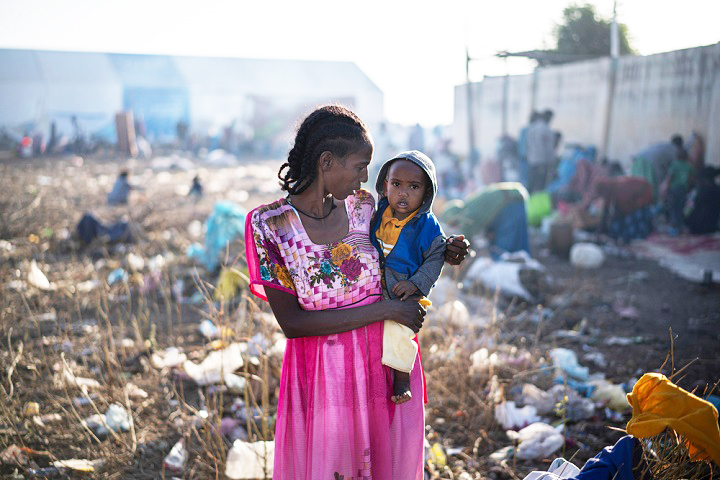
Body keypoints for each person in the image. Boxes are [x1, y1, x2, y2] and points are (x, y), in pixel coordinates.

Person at [244, 105, 469, 479]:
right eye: (360, 165)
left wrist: (445, 250)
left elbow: (411, 237)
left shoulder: (363, 207)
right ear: (326, 161)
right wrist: (386, 312)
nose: (367, 177)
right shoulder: (271, 226)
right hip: (323, 379)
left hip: (381, 366)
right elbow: (293, 324)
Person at [369, 150, 446, 405]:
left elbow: (436, 257)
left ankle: (402, 378)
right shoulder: (377, 213)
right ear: (384, 185)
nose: (403, 193)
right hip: (374, 284)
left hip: (404, 291)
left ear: (427, 193)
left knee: (398, 331)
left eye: (414, 186)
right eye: (396, 184)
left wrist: (415, 285)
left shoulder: (427, 225)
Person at [440, 182, 530, 260]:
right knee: (521, 247)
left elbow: (465, 240)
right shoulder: (470, 205)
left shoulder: (466, 215)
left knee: (505, 253)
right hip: (515, 196)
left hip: (508, 203)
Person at [631, 134, 686, 200]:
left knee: (637, 190)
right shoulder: (675, 150)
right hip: (648, 164)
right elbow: (674, 170)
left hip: (637, 161)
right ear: (680, 146)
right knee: (651, 192)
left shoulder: (664, 145)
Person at [662, 150, 693, 233]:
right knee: (680, 208)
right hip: (683, 189)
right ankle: (680, 226)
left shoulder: (674, 165)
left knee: (672, 208)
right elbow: (690, 179)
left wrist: (665, 189)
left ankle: (674, 228)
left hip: (673, 189)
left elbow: (669, 177)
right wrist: (688, 189)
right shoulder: (688, 166)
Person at [526, 109, 556, 193]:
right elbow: (548, 149)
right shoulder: (545, 130)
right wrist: (551, 162)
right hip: (542, 162)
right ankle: (537, 205)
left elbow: (528, 145)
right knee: (540, 186)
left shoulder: (532, 128)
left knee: (531, 185)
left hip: (532, 160)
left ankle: (527, 204)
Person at [685, 167, 720, 235]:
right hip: (712, 226)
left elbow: (688, 209)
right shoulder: (717, 189)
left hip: (697, 227)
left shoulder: (698, 190)